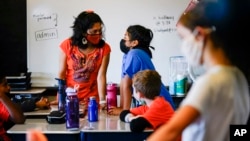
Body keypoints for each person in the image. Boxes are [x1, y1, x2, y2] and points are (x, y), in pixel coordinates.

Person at [147, 0, 250, 141]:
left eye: (183, 38)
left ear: (200, 35)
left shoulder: (211, 82)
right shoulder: (239, 78)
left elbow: (172, 131)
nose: (184, 46)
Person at [108, 25, 175, 115]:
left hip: (160, 104)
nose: (123, 40)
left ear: (134, 43)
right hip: (154, 104)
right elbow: (123, 81)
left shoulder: (134, 54)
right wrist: (121, 108)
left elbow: (127, 85)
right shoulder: (128, 54)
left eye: (125, 37)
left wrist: (124, 111)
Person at [50, 10, 111, 110]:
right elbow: (61, 74)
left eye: (100, 30)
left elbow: (101, 76)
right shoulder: (67, 45)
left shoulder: (104, 48)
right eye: (94, 31)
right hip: (69, 98)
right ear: (83, 32)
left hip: (92, 100)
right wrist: (60, 97)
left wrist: (103, 100)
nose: (98, 34)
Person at [0, 73, 26, 141]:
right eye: (4, 85)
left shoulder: (2, 103)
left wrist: (2, 96)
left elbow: (19, 119)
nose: (9, 87)